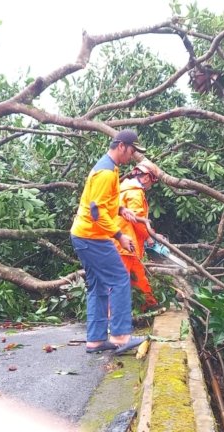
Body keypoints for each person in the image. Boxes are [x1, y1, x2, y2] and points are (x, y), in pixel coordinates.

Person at [70, 129, 147, 355]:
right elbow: (97, 213)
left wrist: (122, 210)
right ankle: (121, 337)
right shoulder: (105, 172)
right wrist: (120, 236)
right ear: (121, 146)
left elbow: (101, 202)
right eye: (132, 151)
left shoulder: (108, 167)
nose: (132, 156)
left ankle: (95, 340)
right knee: (119, 278)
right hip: (92, 237)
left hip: (83, 235)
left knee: (98, 285)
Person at [115, 160, 161, 311]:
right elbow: (137, 219)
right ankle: (110, 317)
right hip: (124, 242)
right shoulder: (135, 192)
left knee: (137, 274)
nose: (150, 186)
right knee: (118, 280)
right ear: (147, 178)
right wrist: (149, 237)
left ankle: (149, 304)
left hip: (124, 243)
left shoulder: (123, 189)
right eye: (152, 182)